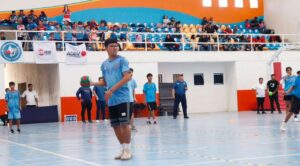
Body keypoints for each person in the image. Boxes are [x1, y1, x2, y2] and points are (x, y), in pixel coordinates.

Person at [93, 38, 132, 160]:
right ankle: (122, 149)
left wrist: (111, 90)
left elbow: (127, 77)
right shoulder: (104, 65)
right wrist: (92, 82)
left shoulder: (122, 60)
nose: (115, 47)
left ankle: (128, 150)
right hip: (112, 100)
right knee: (115, 125)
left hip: (123, 98)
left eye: (116, 45)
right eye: (112, 45)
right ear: (106, 48)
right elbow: (105, 82)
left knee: (125, 124)